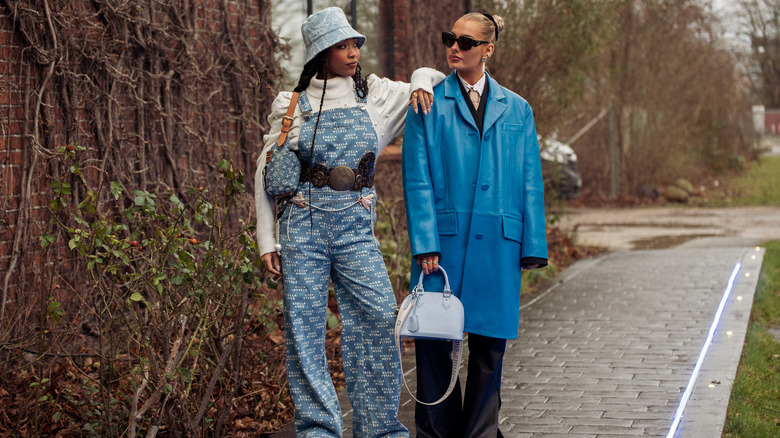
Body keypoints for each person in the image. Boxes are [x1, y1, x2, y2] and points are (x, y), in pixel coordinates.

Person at [254, 7, 444, 437]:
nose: (353, 51)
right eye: (342, 45)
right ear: (322, 52)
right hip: (301, 227)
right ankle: (319, 428)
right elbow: (264, 170)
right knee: (303, 329)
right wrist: (266, 237)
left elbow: (433, 75)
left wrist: (416, 82)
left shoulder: (375, 95)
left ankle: (379, 428)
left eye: (355, 43)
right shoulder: (291, 105)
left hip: (356, 228)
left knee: (379, 314)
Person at [401, 11, 548, 438]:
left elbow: (529, 180)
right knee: (433, 342)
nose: (454, 48)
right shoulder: (427, 102)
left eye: (466, 42)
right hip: (441, 245)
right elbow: (417, 176)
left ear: (488, 49)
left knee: (488, 348)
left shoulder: (518, 109)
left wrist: (532, 245)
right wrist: (424, 241)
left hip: (498, 244)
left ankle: (481, 433)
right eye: (450, 39)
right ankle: (436, 432)